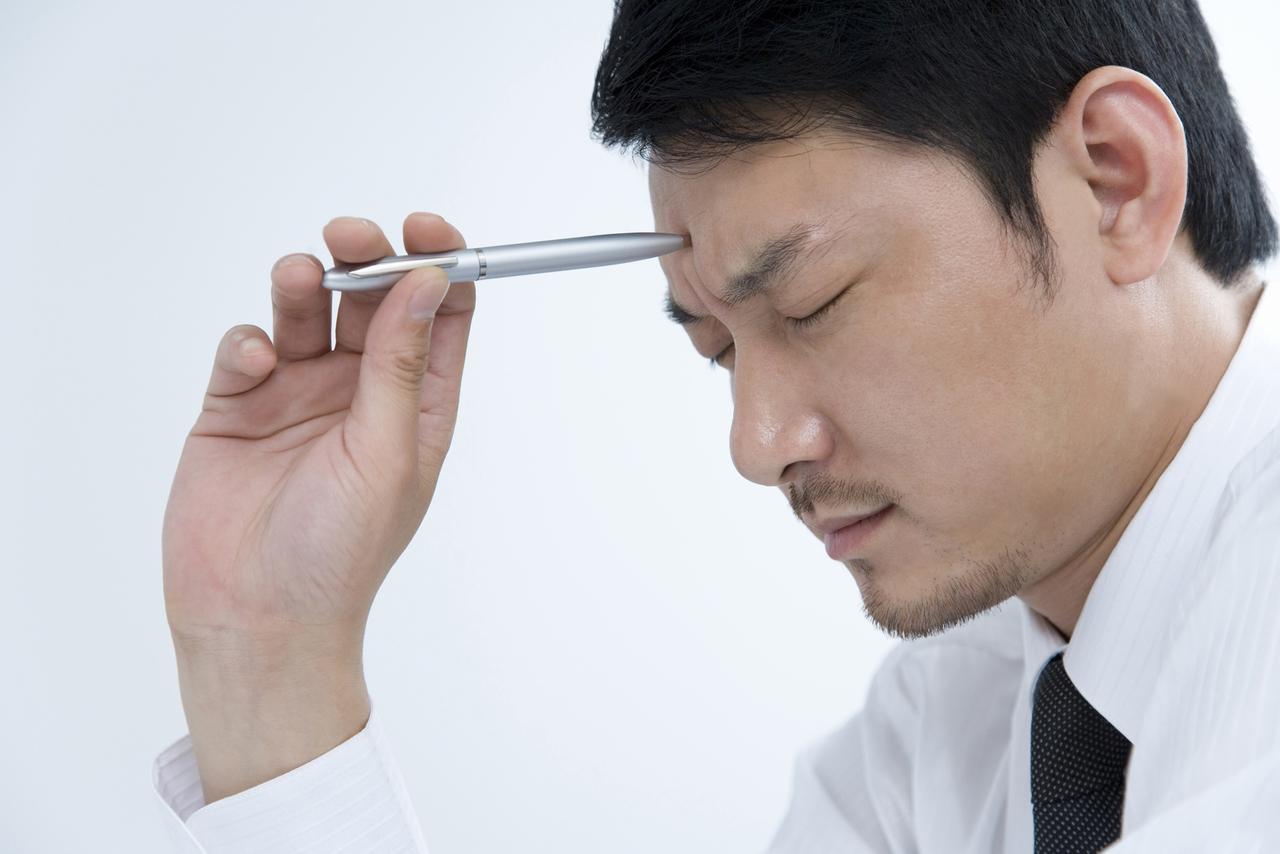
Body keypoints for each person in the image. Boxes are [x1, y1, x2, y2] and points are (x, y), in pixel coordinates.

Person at [153, 0, 1280, 851]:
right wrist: (270, 657)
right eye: (719, 350)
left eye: (813, 304)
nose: (756, 444)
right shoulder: (945, 729)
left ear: (1115, 180)